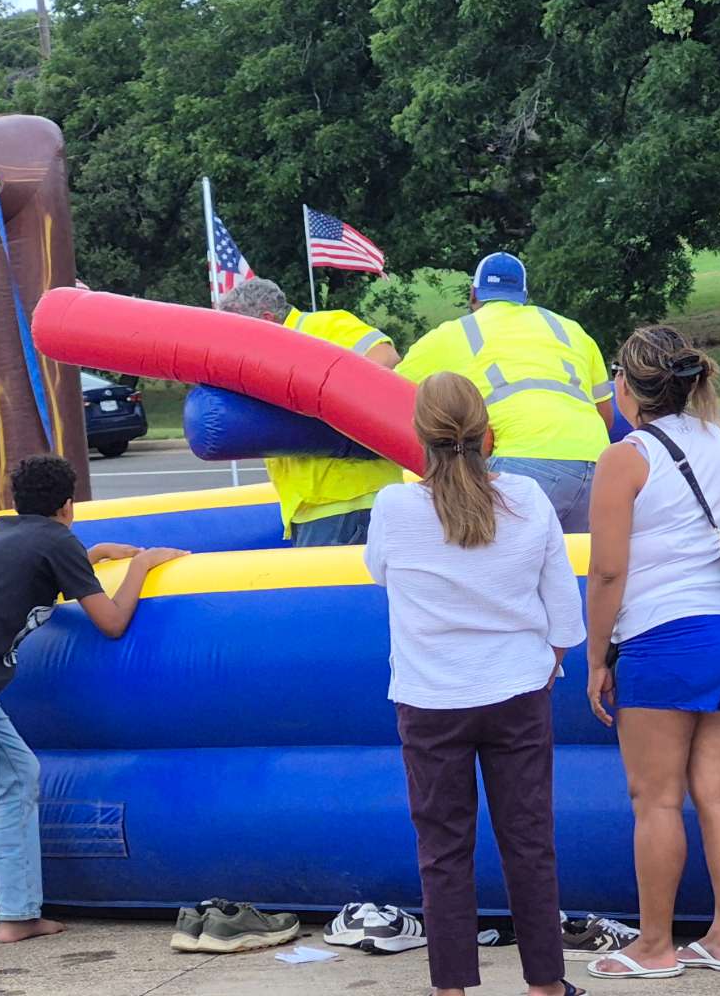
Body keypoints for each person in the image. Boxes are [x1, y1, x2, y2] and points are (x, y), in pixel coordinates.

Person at [0, 455, 187, 974]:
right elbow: (113, 623)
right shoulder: (56, 541)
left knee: (19, 776)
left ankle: (19, 914)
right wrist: (142, 564)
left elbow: (31, 572)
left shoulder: (4, 531)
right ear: (68, 506)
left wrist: (90, 556)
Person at [365, 372, 587, 996]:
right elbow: (564, 613)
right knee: (530, 845)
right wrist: (540, 662)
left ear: (418, 438)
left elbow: (380, 573)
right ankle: (545, 984)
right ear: (489, 435)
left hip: (431, 699)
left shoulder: (393, 507)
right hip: (517, 690)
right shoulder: (528, 500)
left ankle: (451, 988)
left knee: (443, 853)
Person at [585, 326, 720, 981]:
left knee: (655, 800)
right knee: (718, 791)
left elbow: (606, 572)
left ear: (627, 388)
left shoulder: (625, 457)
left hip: (663, 641)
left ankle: (655, 945)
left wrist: (599, 657)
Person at [395, 252, 613, 532]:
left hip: (523, 462)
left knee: (498, 563)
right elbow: (604, 415)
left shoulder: (455, 333)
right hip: (598, 464)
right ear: (523, 296)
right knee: (579, 569)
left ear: (473, 294)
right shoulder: (570, 329)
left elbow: (391, 389)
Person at [218, 278, 402, 546]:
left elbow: (384, 356)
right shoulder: (263, 358)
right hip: (312, 505)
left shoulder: (321, 326)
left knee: (339, 586)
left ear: (267, 318)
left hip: (347, 499)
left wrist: (331, 403)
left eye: (240, 330)